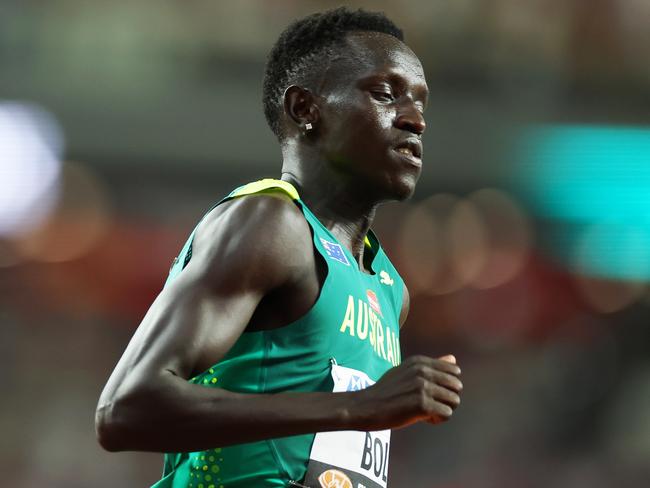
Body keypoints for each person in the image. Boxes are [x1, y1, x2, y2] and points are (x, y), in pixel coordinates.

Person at [95, 7, 463, 488]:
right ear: (305, 110)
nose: (415, 120)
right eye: (386, 95)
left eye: (420, 103)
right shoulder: (270, 224)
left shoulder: (391, 290)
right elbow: (126, 409)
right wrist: (357, 407)